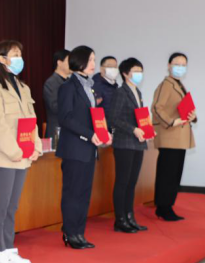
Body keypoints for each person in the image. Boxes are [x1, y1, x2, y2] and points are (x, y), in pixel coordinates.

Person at [0, 40, 42, 263]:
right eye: (14, 54)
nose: (19, 59)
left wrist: (35, 146)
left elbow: (32, 120)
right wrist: (14, 151)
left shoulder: (23, 87)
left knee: (12, 206)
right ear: (2, 59)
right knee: (1, 204)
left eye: (20, 54)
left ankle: (8, 248)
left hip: (22, 155)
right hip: (3, 156)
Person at [56, 45, 110, 250]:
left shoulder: (90, 86)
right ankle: (70, 233)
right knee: (73, 192)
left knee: (84, 193)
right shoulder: (68, 87)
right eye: (90, 60)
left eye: (94, 60)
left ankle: (79, 232)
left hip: (89, 149)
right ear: (79, 61)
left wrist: (104, 132)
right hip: (74, 148)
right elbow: (66, 118)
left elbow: (93, 117)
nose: (93, 64)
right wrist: (90, 134)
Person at [152, 52, 197, 221]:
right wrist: (171, 122)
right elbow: (157, 108)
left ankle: (167, 206)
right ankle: (163, 208)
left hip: (179, 138)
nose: (180, 68)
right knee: (167, 174)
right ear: (169, 65)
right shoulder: (166, 85)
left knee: (174, 174)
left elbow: (181, 108)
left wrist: (193, 116)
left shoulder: (178, 85)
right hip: (170, 137)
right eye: (177, 64)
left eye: (183, 65)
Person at [108, 58, 150, 233]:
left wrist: (147, 128)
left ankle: (130, 217)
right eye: (135, 71)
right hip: (124, 143)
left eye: (141, 70)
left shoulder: (137, 92)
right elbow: (113, 118)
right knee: (122, 182)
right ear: (125, 73)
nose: (139, 74)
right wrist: (133, 129)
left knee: (132, 183)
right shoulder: (120, 92)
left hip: (138, 143)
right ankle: (120, 219)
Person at [43, 49, 71, 140]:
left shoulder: (70, 82)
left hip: (70, 130)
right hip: (57, 131)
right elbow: (55, 107)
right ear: (59, 63)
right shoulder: (51, 82)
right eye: (69, 61)